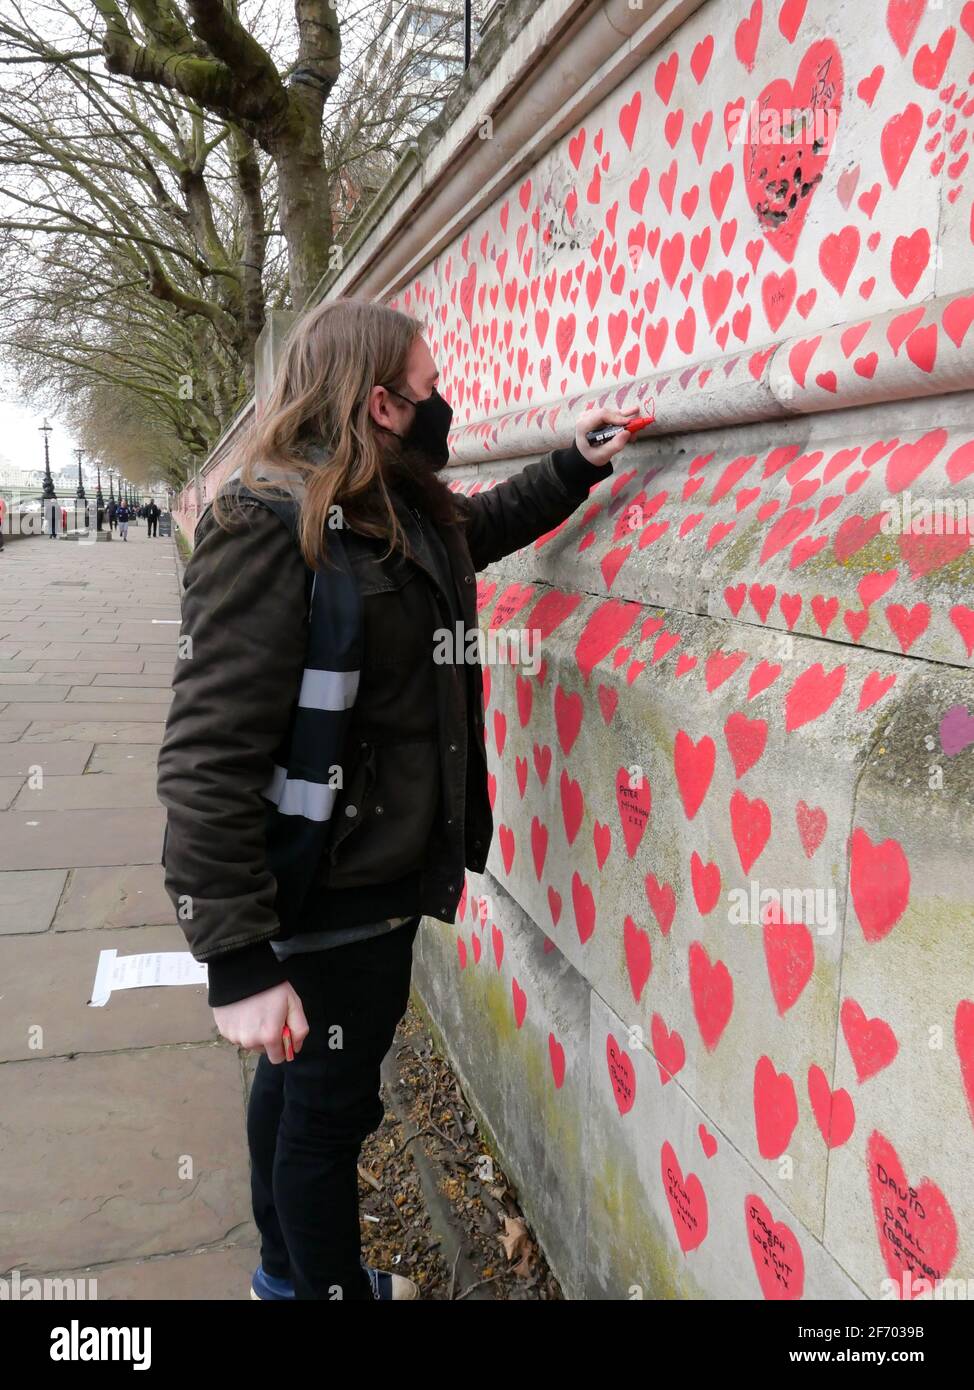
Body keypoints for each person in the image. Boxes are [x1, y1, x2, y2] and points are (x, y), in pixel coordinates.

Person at [155, 298, 637, 1303]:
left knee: (299, 1094)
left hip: (364, 883)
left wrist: (571, 467)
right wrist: (236, 960)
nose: (442, 405)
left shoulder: (392, 502)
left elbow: (473, 535)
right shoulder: (270, 521)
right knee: (328, 1114)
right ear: (380, 402)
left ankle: (289, 1275)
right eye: (426, 389)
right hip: (326, 887)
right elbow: (205, 757)